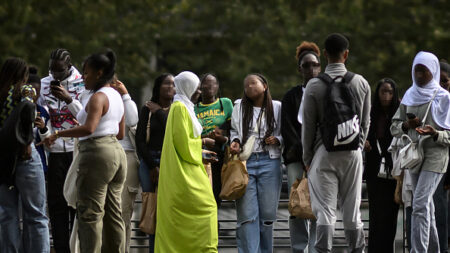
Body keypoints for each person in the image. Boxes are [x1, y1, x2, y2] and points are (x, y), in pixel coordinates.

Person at [42, 50, 127, 252]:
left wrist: (59, 134)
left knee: (90, 214)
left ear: (99, 73)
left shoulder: (98, 98)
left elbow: (88, 128)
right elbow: (121, 133)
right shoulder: (116, 95)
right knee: (113, 213)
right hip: (116, 152)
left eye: (87, 73)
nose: (83, 77)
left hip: (97, 153)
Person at [301, 33, 371, 253]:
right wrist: (358, 146)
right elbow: (365, 121)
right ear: (346, 54)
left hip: (324, 153)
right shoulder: (360, 82)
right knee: (352, 211)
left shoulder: (314, 85)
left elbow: (308, 127)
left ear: (324, 54)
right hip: (352, 153)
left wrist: (307, 158)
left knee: (325, 212)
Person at [391, 51, 450, 252]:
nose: (419, 75)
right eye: (416, 70)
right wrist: (407, 125)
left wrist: (435, 134)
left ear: (433, 71)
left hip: (436, 156)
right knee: (426, 207)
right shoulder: (409, 95)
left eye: (424, 71)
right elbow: (394, 127)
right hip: (415, 157)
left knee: (419, 204)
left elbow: (448, 136)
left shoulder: (444, 98)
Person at [155, 71, 218, 253]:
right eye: (196, 87)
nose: (199, 91)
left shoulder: (183, 107)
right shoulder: (180, 109)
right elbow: (184, 145)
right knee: (208, 208)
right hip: (185, 174)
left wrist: (201, 151)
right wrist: (202, 145)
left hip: (188, 168)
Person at [0, 58, 50, 252]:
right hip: (25, 156)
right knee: (36, 214)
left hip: (3, 158)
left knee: (6, 213)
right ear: (23, 75)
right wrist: (27, 141)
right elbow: (28, 109)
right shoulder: (25, 90)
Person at [230, 73, 283, 253]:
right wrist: (235, 141)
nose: (249, 87)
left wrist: (277, 139)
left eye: (253, 83)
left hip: (270, 161)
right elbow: (234, 131)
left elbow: (285, 132)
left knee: (267, 216)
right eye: (246, 85)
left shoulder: (277, 107)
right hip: (246, 163)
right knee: (247, 215)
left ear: (265, 86)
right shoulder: (239, 107)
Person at [38, 48, 84, 253]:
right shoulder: (43, 83)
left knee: (75, 202)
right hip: (54, 151)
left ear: (69, 66)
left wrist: (68, 99)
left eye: (59, 70)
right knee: (56, 205)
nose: (54, 74)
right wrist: (45, 133)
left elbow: (86, 117)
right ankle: (61, 249)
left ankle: (76, 248)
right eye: (51, 70)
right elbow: (39, 116)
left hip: (77, 150)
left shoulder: (83, 83)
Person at [281, 41, 320, 253]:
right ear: (300, 69)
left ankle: (315, 248)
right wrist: (304, 156)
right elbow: (288, 129)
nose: (311, 69)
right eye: (306, 65)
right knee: (297, 205)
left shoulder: (326, 93)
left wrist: (314, 155)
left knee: (318, 207)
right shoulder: (290, 96)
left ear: (320, 67)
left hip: (321, 158)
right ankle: (299, 248)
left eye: (315, 65)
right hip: (296, 159)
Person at [135, 73, 175, 253]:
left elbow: (174, 132)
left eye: (174, 84)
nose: (170, 87)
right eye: (167, 83)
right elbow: (140, 141)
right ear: (158, 87)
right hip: (149, 161)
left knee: (168, 210)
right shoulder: (146, 109)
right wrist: (152, 166)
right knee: (152, 211)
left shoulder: (178, 109)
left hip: (171, 163)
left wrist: (159, 111)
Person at [363, 78, 400, 252]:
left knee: (391, 214)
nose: (386, 96)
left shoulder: (399, 112)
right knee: (376, 214)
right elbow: (364, 133)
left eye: (390, 92)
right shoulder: (371, 112)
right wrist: (366, 143)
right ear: (377, 93)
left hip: (394, 170)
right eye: (383, 92)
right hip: (374, 169)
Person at [108, 77, 140, 253]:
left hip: (127, 156)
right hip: (104, 154)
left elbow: (133, 121)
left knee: (123, 212)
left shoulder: (126, 102)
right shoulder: (95, 98)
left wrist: (125, 95)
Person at [195, 73, 233, 207]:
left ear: (217, 86)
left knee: (215, 194)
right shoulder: (194, 108)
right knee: (201, 195)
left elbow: (233, 128)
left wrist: (222, 138)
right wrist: (206, 138)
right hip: (201, 154)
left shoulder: (226, 103)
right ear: (199, 87)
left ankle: (214, 225)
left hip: (220, 155)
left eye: (213, 83)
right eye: (205, 83)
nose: (209, 86)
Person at [28, 67, 51, 174]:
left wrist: (43, 128)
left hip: (39, 161)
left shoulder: (43, 112)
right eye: (30, 92)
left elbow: (49, 142)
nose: (33, 96)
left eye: (36, 92)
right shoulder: (15, 110)